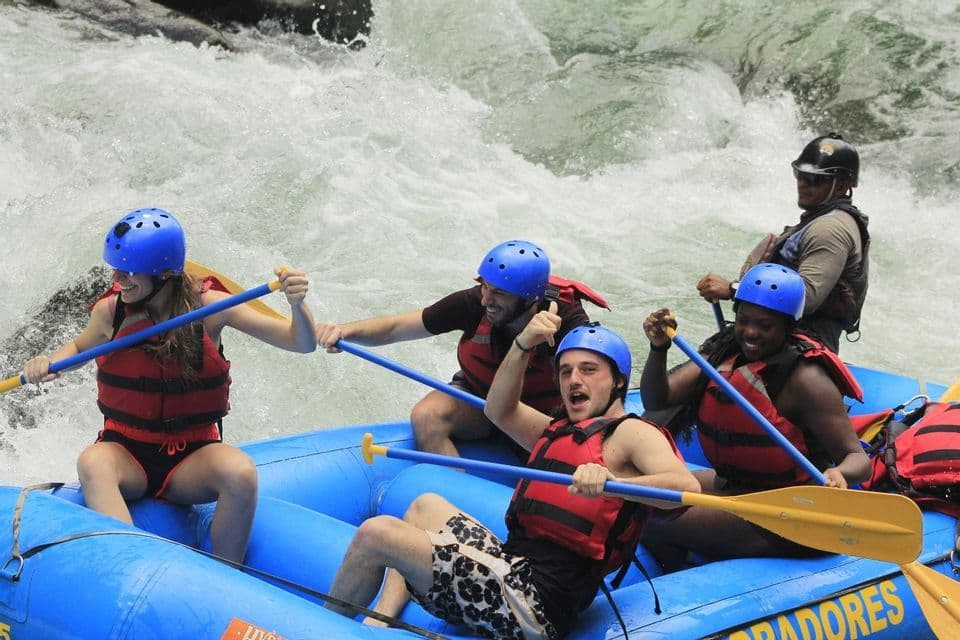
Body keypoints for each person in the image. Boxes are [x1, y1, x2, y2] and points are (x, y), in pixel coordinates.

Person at [324, 309, 700, 639]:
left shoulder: (633, 432)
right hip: (513, 569)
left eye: (588, 370)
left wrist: (614, 484)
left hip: (537, 607)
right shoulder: (558, 430)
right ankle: (380, 621)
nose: (573, 381)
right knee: (425, 507)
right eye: (565, 371)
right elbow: (498, 409)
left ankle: (320, 626)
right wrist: (523, 343)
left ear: (618, 381)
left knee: (377, 534)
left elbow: (685, 485)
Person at [22, 208, 316, 563]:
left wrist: (298, 306)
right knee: (93, 463)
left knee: (240, 473)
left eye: (128, 271)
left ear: (163, 275)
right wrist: (49, 364)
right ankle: (130, 564)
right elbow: (80, 349)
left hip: (190, 458)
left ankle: (228, 572)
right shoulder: (111, 311)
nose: (117, 278)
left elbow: (300, 342)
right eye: (116, 267)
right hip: (127, 452)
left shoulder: (209, 308)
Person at [640, 263, 870, 570]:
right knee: (640, 496)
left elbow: (858, 459)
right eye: (744, 320)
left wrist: (840, 474)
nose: (750, 332)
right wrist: (659, 349)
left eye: (765, 325)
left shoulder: (807, 380)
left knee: (655, 519)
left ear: (789, 327)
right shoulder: (725, 355)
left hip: (790, 512)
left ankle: (683, 579)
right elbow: (658, 398)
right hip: (737, 485)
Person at [316, 239, 602, 457]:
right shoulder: (474, 302)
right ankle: (452, 503)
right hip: (481, 400)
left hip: (539, 417)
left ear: (529, 300)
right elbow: (395, 327)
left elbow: (597, 387)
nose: (485, 300)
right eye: (485, 287)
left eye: (498, 293)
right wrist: (344, 330)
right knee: (426, 416)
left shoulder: (567, 323)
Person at [696, 133, 870, 352]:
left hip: (799, 344)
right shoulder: (822, 219)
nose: (803, 184)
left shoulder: (830, 229)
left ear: (842, 185)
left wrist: (733, 289)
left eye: (815, 179)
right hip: (774, 335)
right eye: (800, 174)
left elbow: (806, 298)